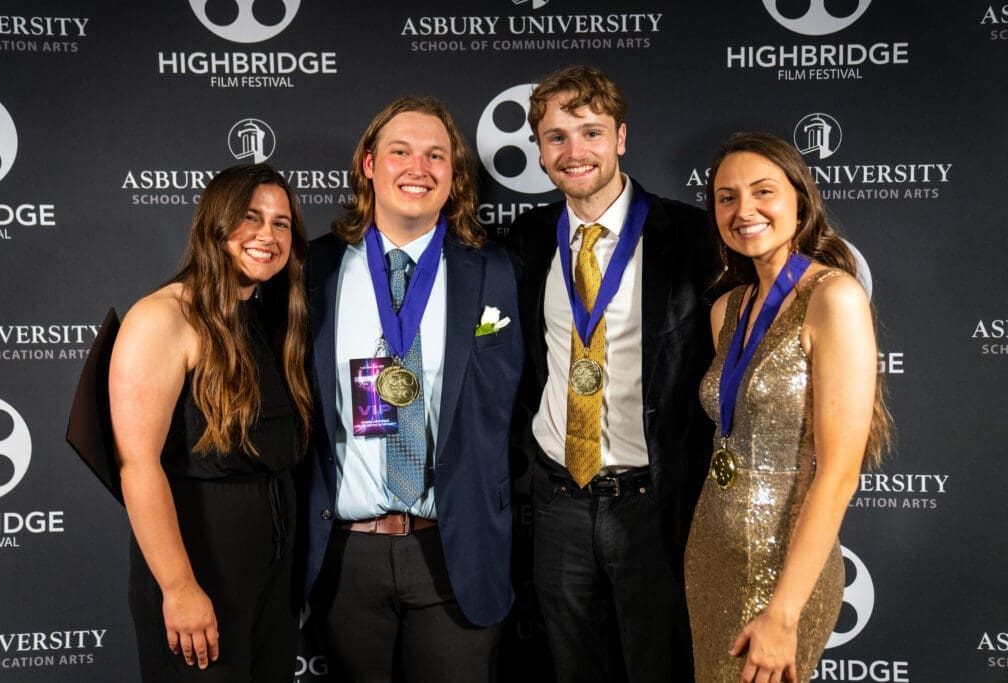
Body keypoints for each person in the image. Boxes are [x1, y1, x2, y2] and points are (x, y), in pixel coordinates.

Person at [300, 95, 523, 682]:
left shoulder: (495, 268)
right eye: (400, 151)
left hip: (456, 548)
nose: (417, 168)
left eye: (435, 155)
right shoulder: (312, 269)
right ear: (369, 164)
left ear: (454, 175)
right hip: (347, 557)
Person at [511, 65, 715, 682]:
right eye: (556, 137)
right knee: (573, 668)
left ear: (621, 138)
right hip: (556, 499)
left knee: (660, 667)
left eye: (591, 132)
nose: (575, 152)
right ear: (541, 150)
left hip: (652, 502)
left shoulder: (693, 236)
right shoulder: (524, 242)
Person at [685, 131, 891, 683]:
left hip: (784, 570)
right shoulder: (727, 308)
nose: (743, 210)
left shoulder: (835, 297)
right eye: (726, 197)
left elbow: (840, 474)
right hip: (709, 552)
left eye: (763, 192)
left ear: (801, 200)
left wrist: (784, 611)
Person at [110, 163, 312, 681]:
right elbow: (137, 465)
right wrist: (179, 588)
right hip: (201, 564)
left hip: (273, 571)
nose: (268, 235)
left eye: (281, 222)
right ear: (216, 224)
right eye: (251, 217)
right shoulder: (162, 317)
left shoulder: (267, 319)